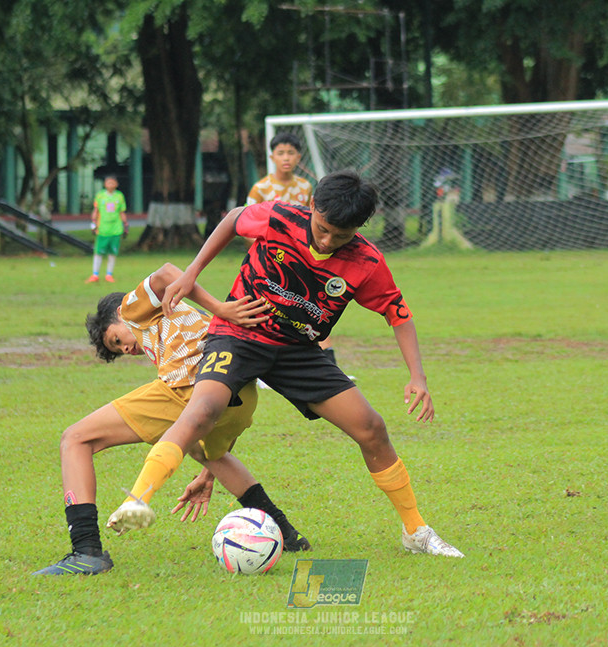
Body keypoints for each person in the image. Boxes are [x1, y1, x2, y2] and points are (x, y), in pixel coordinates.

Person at [107, 169, 463, 558]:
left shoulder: (365, 262)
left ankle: (415, 531)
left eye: (340, 237)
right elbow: (232, 219)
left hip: (296, 350)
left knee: (372, 428)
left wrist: (418, 377)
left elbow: (398, 313)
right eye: (323, 228)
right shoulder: (279, 216)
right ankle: (137, 499)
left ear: (359, 229)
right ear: (312, 206)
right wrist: (193, 271)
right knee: (203, 410)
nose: (327, 242)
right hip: (239, 332)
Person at [34, 264, 310, 576]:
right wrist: (208, 473)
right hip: (240, 394)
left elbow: (166, 273)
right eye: (119, 351)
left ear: (119, 316)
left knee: (75, 438)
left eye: (116, 339)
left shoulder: (132, 307)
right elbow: (222, 419)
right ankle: (284, 532)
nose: (125, 348)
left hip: (188, 386)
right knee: (204, 452)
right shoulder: (177, 321)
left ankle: (85, 551)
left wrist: (220, 307)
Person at [246, 132, 343, 370]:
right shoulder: (261, 189)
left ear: (299, 156)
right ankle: (258, 365)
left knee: (313, 310)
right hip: (269, 261)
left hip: (301, 261)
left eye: (291, 153)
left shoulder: (305, 187)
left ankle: (329, 365)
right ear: (272, 156)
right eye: (281, 153)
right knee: (265, 308)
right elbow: (247, 226)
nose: (286, 158)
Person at [85, 176, 128, 284]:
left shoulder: (119, 196)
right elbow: (96, 210)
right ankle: (95, 274)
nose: (110, 185)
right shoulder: (100, 195)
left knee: (112, 252)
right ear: (105, 184)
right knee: (98, 252)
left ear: (116, 184)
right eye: (108, 182)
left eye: (112, 183)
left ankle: (109, 274)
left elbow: (122, 211)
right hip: (102, 229)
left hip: (116, 229)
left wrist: (125, 224)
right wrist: (94, 222)